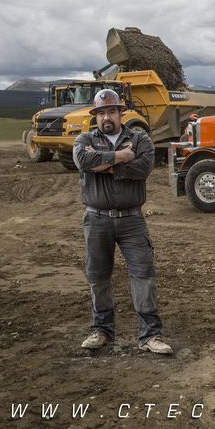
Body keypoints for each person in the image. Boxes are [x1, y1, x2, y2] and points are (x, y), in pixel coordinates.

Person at [72, 89, 172, 354]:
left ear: (120, 113)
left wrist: (104, 164)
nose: (107, 117)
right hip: (96, 219)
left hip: (132, 221)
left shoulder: (139, 139)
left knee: (143, 274)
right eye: (102, 112)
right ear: (96, 116)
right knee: (98, 276)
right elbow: (83, 161)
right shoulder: (84, 138)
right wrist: (121, 157)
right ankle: (101, 331)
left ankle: (150, 335)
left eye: (112, 111)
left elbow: (143, 168)